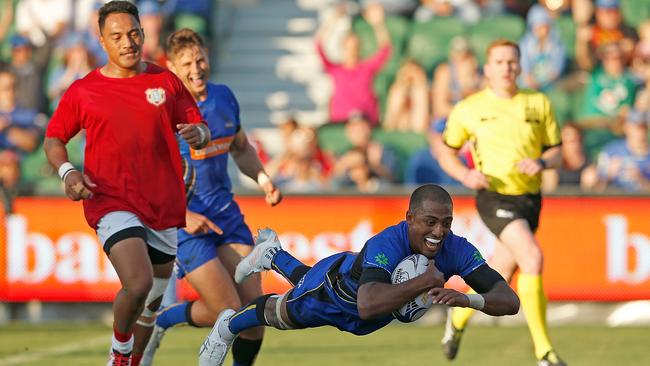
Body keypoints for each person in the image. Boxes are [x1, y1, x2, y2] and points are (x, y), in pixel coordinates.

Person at [42, 2, 210, 365]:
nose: (127, 42)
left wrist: (198, 133)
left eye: (133, 33)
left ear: (143, 34)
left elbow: (198, 125)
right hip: (111, 200)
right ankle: (118, 354)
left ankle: (133, 361)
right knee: (139, 282)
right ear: (101, 40)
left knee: (150, 307)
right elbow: (54, 138)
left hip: (163, 205)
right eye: (116, 36)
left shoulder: (165, 82)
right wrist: (68, 173)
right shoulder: (83, 90)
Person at [198, 184, 521, 366]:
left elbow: (509, 300)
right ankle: (228, 325)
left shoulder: (456, 249)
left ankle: (271, 254)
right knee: (279, 313)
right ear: (409, 218)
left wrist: (467, 299)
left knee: (302, 282)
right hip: (335, 293)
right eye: (429, 221)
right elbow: (366, 305)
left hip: (364, 308)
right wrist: (423, 282)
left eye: (446, 222)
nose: (439, 231)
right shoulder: (386, 243)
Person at [139, 28, 282, 366]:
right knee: (228, 312)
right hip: (184, 223)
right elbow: (145, 176)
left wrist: (263, 179)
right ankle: (163, 319)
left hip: (225, 214)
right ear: (173, 67)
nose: (196, 68)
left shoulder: (223, 97)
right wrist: (182, 214)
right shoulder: (162, 111)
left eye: (200, 59)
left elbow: (241, 147)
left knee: (254, 316)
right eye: (186, 62)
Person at [437, 39, 565, 366]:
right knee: (533, 257)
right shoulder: (470, 108)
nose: (506, 67)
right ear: (487, 68)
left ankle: (459, 318)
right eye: (499, 62)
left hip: (529, 199)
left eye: (512, 61)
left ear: (520, 66)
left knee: (498, 276)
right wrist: (465, 176)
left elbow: (557, 150)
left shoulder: (538, 103)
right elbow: (446, 151)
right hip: (494, 196)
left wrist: (543, 162)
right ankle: (544, 353)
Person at [315, 2, 391, 125]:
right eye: (348, 47)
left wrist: (378, 24)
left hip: (367, 120)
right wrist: (333, 19)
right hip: (340, 122)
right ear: (342, 48)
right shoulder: (335, 69)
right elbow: (318, 45)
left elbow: (385, 49)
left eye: (355, 47)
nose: (351, 51)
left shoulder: (367, 68)